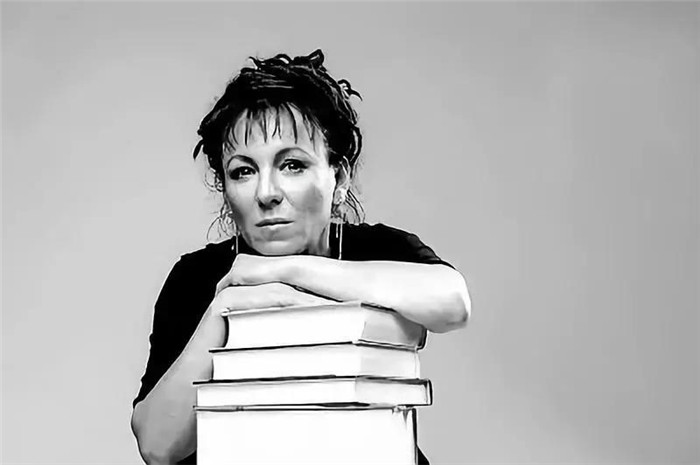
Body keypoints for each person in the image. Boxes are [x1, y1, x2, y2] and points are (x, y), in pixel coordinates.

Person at [131, 49, 471, 465]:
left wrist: (283, 271)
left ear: (339, 177)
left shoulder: (380, 250)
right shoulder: (197, 277)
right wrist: (224, 308)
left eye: (292, 165)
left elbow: (454, 303)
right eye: (243, 171)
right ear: (225, 189)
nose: (266, 193)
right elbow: (157, 447)